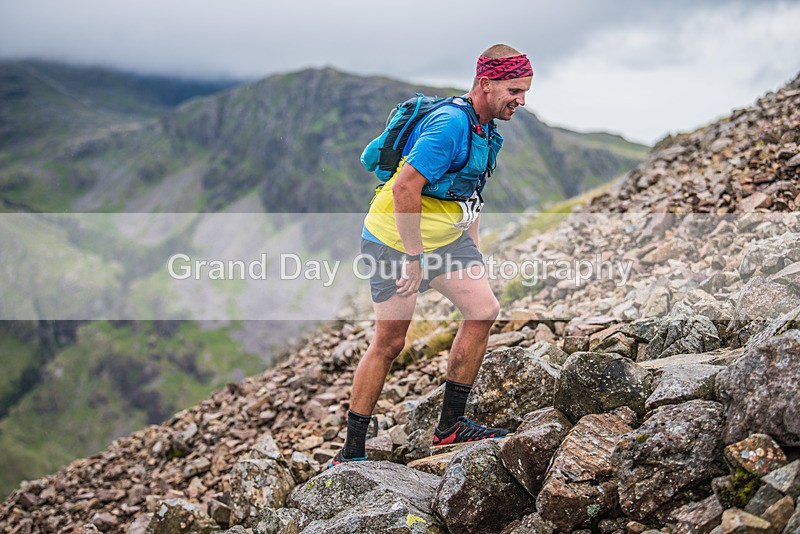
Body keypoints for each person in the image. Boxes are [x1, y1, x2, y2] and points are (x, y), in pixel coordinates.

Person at [330, 44, 533, 466]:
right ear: (485, 83)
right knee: (390, 342)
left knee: (482, 310)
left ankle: (450, 428)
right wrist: (414, 256)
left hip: (443, 239)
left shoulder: (485, 129)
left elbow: (470, 192)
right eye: (514, 90)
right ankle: (350, 453)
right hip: (394, 239)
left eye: (526, 90)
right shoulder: (449, 125)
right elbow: (406, 188)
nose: (522, 101)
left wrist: (471, 249)